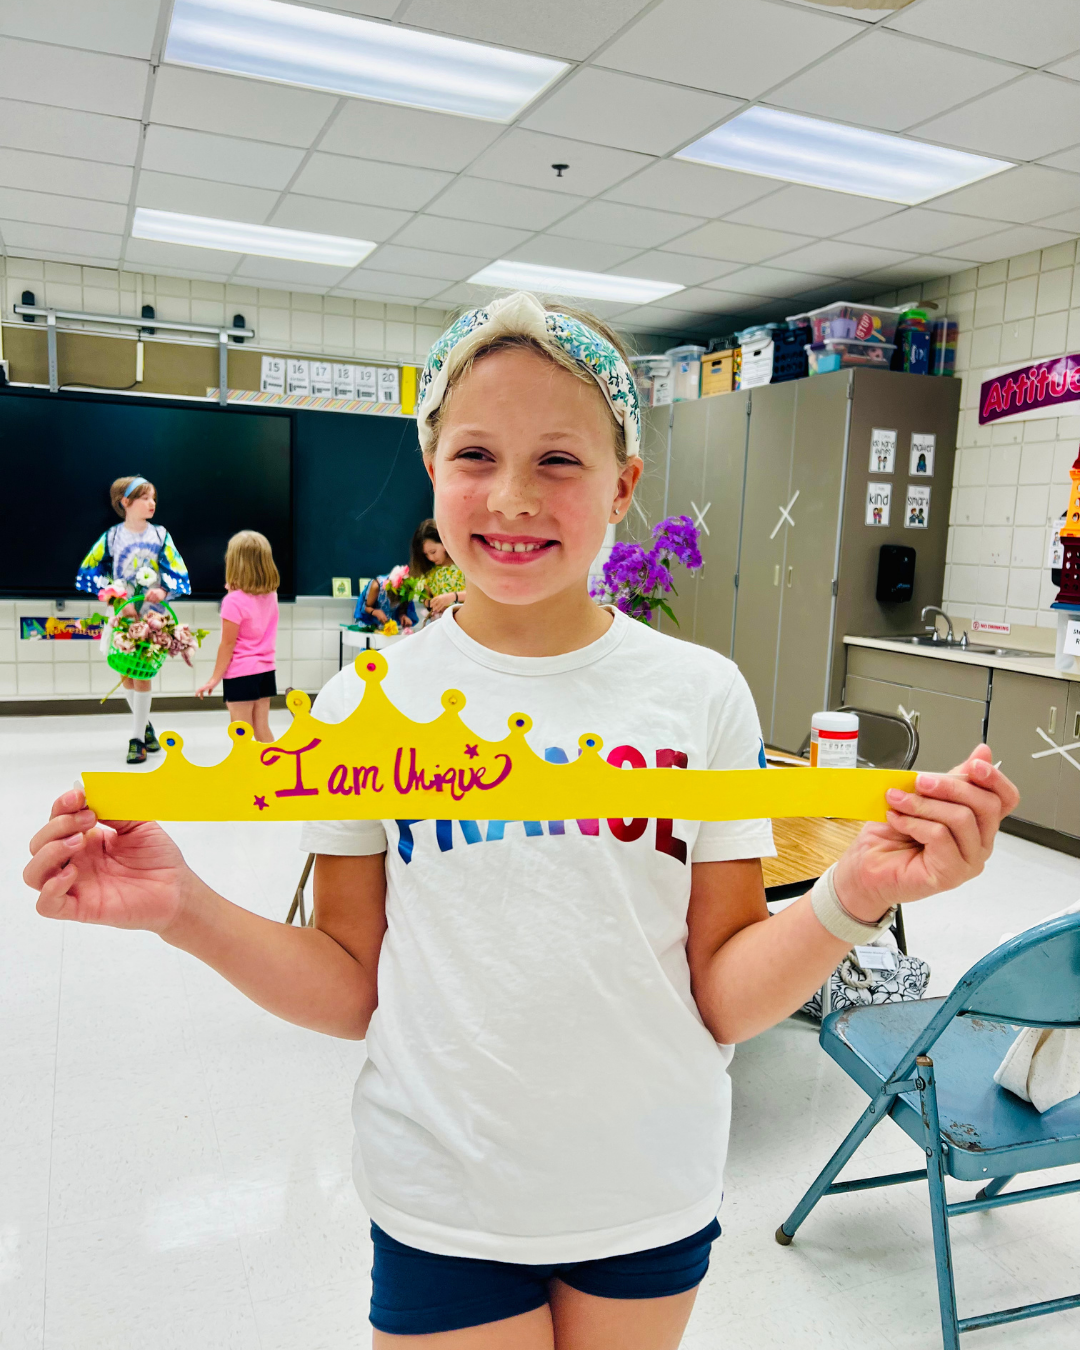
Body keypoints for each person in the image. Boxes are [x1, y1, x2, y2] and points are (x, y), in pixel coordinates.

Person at [30, 292, 1018, 1350]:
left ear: (624, 484)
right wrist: (183, 907)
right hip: (443, 1192)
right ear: (431, 470)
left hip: (646, 1184)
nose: (511, 497)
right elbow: (350, 981)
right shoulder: (369, 701)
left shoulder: (701, 696)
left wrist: (855, 896)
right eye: (474, 456)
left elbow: (724, 996)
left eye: (558, 460)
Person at [75, 475, 190, 764]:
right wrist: (116, 598)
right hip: (123, 618)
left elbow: (179, 573)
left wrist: (162, 590)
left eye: (153, 498)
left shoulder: (161, 535)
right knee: (127, 673)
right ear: (125, 502)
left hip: (153, 619)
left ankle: (137, 739)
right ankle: (146, 727)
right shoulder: (112, 537)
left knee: (142, 675)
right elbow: (89, 572)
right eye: (145, 498)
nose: (152, 503)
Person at [196, 531, 280, 743]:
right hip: (265, 670)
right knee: (262, 729)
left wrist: (214, 678)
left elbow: (228, 644)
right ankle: (273, 772)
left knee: (241, 736)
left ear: (235, 562)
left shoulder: (233, 601)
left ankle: (245, 775)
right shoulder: (271, 595)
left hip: (241, 673)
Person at [410, 518, 467, 617]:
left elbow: (478, 596)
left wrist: (452, 597)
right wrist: (432, 603)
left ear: (444, 542)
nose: (431, 558)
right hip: (441, 619)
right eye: (426, 554)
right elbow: (426, 599)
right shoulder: (429, 572)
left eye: (433, 552)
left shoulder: (463, 564)